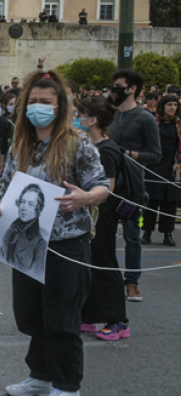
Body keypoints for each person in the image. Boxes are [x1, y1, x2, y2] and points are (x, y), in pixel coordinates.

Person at [0, 70, 109, 396]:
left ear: (60, 107)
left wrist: (86, 197)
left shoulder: (78, 144)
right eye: (34, 102)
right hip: (28, 242)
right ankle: (40, 375)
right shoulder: (21, 144)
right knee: (31, 314)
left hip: (66, 244)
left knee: (62, 315)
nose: (38, 108)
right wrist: (0, 208)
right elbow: (7, 188)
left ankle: (67, 386)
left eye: (46, 102)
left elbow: (102, 186)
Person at [77, 94, 130, 341]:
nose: (77, 119)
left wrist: (84, 195)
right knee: (90, 263)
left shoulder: (107, 149)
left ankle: (118, 320)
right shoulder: (95, 145)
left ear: (93, 120)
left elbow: (107, 187)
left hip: (105, 213)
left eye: (81, 115)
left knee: (105, 262)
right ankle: (88, 316)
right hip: (93, 210)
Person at [107, 69, 160, 302]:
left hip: (132, 188)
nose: (113, 90)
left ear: (132, 89)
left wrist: (129, 154)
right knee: (103, 237)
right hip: (106, 185)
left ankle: (132, 283)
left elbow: (155, 155)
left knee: (132, 236)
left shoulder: (145, 118)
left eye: (118, 85)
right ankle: (106, 280)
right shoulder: (109, 115)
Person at [143, 94, 180, 246]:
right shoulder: (154, 122)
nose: (172, 108)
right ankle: (146, 232)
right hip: (154, 166)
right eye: (169, 105)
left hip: (173, 168)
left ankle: (168, 234)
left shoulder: (178, 124)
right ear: (162, 106)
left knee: (169, 204)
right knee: (150, 202)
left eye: (175, 105)